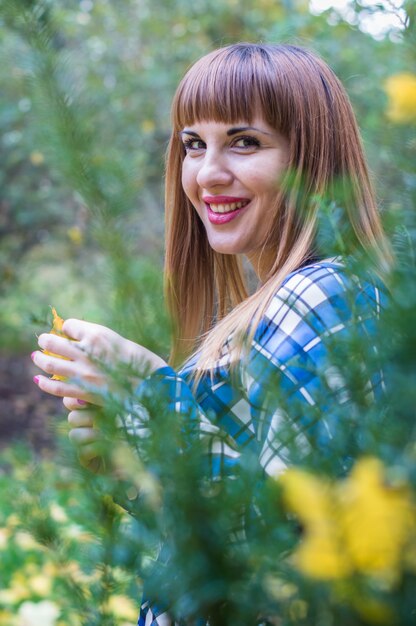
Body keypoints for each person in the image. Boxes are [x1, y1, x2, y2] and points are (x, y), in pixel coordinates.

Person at [32, 43, 389, 625]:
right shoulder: (279, 304)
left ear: (312, 161)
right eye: (193, 145)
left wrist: (148, 390)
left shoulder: (322, 293)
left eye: (245, 142)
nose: (207, 174)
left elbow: (290, 549)